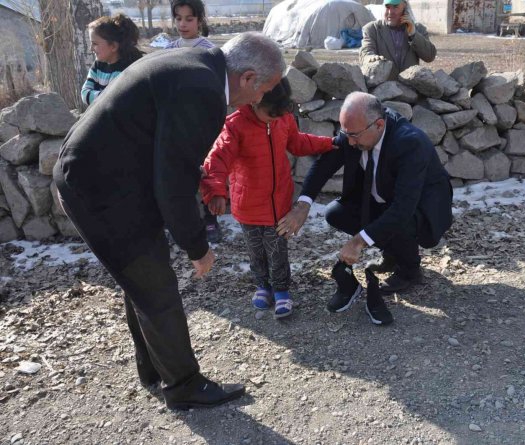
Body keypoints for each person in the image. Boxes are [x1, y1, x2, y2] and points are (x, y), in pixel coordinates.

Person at [54, 32, 285, 410]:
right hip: (100, 188)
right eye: (264, 88)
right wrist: (197, 245)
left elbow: (168, 164)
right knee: (155, 284)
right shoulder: (203, 91)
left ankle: (154, 370)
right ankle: (183, 386)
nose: (260, 99)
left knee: (143, 279)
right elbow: (174, 179)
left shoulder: (195, 66)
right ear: (246, 78)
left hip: (103, 176)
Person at [277, 92, 453, 325]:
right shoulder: (356, 131)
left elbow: (402, 208)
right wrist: (303, 205)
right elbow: (324, 164)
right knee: (336, 213)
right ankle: (392, 254)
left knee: (399, 223)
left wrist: (358, 241)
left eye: (353, 136)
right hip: (383, 200)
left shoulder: (410, 143)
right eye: (345, 133)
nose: (348, 142)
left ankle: (410, 269)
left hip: (421, 208)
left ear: (379, 125)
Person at [200, 78, 336, 319]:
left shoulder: (283, 118)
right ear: (254, 101)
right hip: (248, 207)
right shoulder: (235, 125)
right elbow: (218, 159)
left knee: (277, 249)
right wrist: (216, 192)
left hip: (279, 205)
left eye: (279, 114)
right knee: (256, 250)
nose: (275, 118)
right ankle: (263, 285)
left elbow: (297, 142)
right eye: (270, 114)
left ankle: (281, 289)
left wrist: (328, 144)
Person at [164, 0, 220, 241]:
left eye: (189, 19)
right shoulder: (169, 49)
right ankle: (182, 223)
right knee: (178, 173)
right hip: (176, 123)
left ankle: (211, 219)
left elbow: (216, 88)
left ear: (199, 20)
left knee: (207, 171)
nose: (183, 24)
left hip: (201, 121)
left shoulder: (209, 51)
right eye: (178, 18)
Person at [359, 0, 436, 81]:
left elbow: (430, 56)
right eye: (387, 7)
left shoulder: (418, 29)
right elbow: (366, 52)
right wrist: (370, 58)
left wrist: (413, 34)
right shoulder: (372, 29)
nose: (390, 12)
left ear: (405, 9)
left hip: (411, 89)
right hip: (385, 89)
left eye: (395, 7)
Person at [81, 14, 143, 106]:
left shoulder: (129, 70)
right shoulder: (98, 66)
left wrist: (100, 98)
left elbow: (118, 102)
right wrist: (106, 98)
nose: (91, 48)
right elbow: (85, 93)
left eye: (95, 44)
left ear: (113, 46)